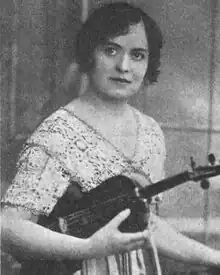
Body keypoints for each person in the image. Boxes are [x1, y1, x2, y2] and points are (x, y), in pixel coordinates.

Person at [1, 2, 220, 275]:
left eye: (138, 55)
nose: (124, 66)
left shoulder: (150, 133)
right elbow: (9, 228)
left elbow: (145, 225)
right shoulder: (58, 132)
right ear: (89, 54)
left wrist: (214, 257)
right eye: (111, 50)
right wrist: (88, 248)